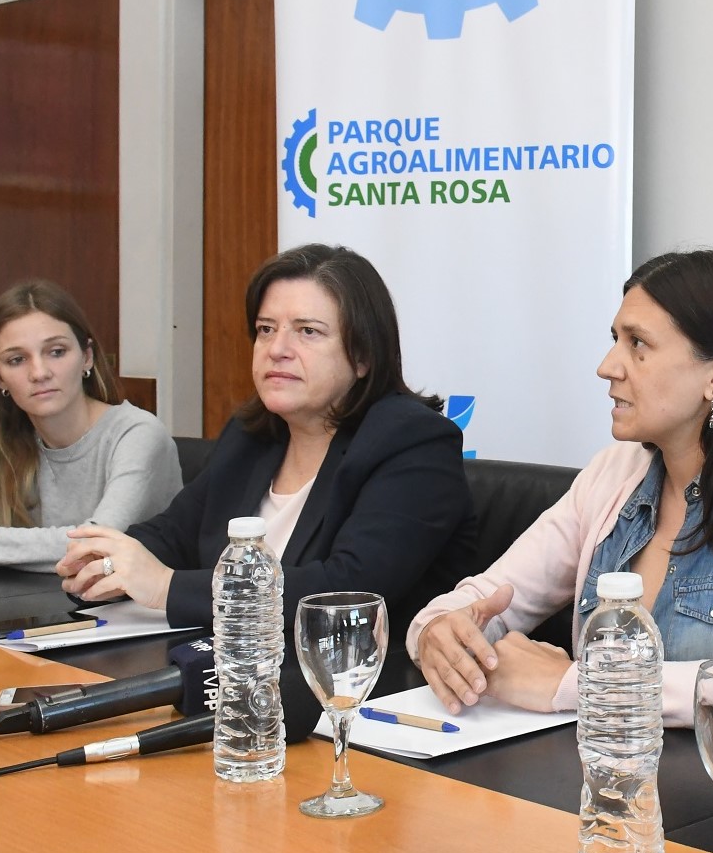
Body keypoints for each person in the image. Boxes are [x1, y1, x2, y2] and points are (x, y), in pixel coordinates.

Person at [407, 249, 713, 737]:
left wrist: (585, 684)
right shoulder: (615, 471)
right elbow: (476, 602)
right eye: (615, 339)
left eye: (638, 344)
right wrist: (437, 636)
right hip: (616, 781)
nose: (607, 366)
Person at [56, 244, 477, 632]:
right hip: (234, 669)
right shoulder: (252, 435)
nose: (278, 349)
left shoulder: (413, 442)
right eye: (266, 329)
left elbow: (346, 593)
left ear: (363, 355)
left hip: (354, 690)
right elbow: (174, 534)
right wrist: (106, 562)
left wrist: (165, 587)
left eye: (307, 331)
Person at [0, 280, 181, 570]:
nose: (39, 372)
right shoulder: (0, 449)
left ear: (87, 357)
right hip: (26, 608)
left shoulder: (138, 435)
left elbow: (95, 548)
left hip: (130, 612)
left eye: (56, 352)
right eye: (17, 359)